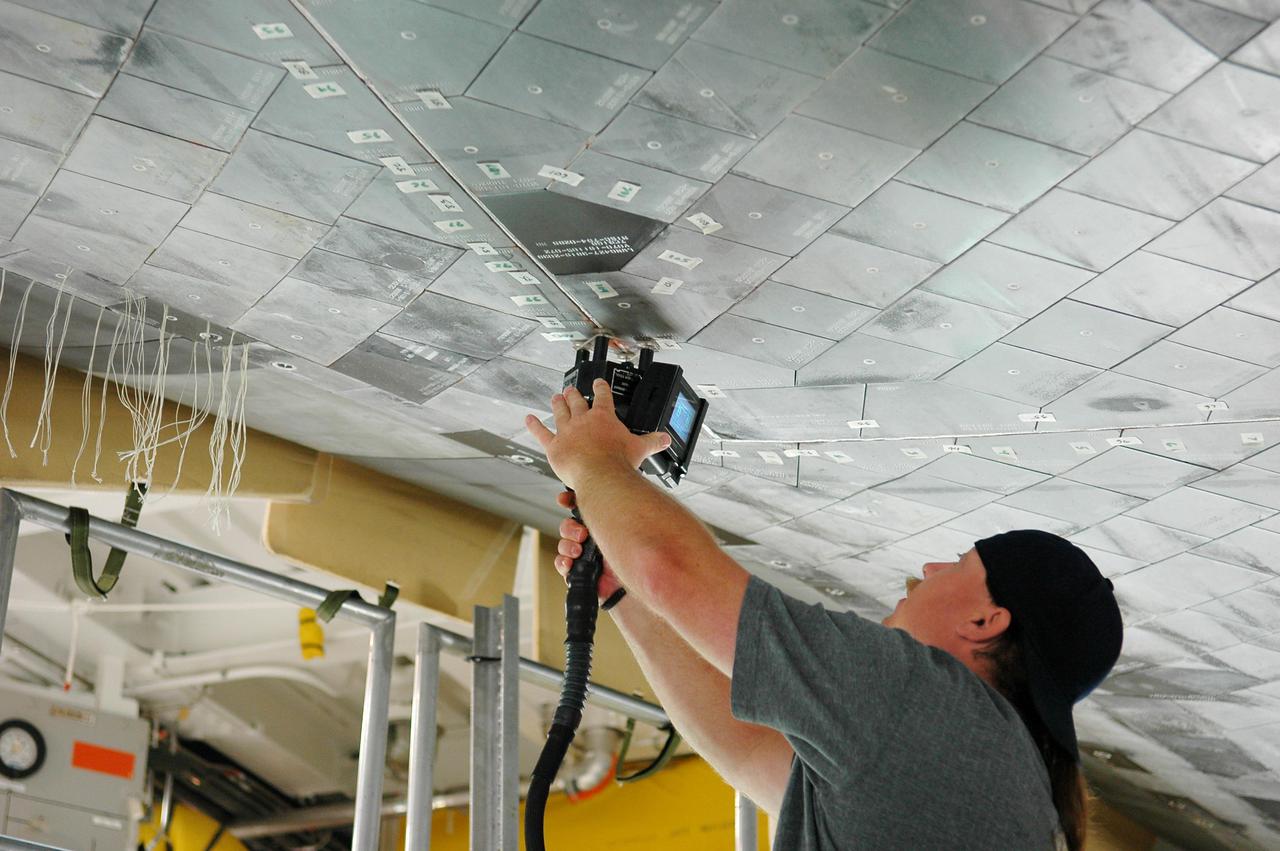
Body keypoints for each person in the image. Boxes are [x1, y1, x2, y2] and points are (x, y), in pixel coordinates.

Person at [526, 380, 1123, 850]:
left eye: (961, 564)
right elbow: (751, 752)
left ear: (986, 622)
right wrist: (624, 593)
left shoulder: (926, 702)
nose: (932, 569)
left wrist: (594, 461)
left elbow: (668, 569)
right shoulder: (988, 775)